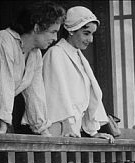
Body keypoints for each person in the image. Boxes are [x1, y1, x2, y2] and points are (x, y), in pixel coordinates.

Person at [0, 1, 65, 135]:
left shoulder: (35, 54)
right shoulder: (3, 41)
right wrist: (3, 128)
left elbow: (36, 94)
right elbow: (2, 84)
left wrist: (43, 130)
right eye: (53, 32)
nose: (55, 38)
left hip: (2, 115)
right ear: (37, 28)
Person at [42, 6, 114, 143]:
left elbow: (88, 97)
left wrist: (93, 132)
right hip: (57, 127)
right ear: (71, 31)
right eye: (86, 33)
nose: (91, 39)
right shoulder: (55, 54)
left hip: (73, 132)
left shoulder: (80, 58)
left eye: (92, 34)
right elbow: (55, 95)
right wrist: (67, 124)